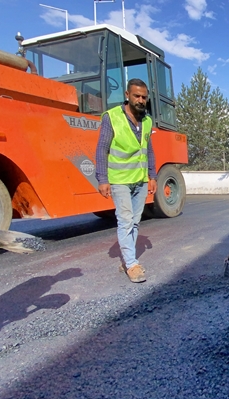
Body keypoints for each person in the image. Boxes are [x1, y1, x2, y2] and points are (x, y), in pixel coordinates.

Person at [95, 78, 157, 283]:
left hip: (139, 179)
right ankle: (131, 264)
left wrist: (152, 176)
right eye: (137, 96)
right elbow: (102, 149)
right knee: (125, 221)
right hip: (119, 179)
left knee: (135, 221)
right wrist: (102, 179)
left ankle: (128, 259)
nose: (141, 100)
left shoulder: (147, 121)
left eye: (144, 97)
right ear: (127, 95)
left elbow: (148, 149)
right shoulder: (111, 117)